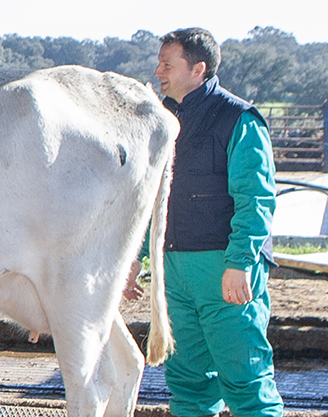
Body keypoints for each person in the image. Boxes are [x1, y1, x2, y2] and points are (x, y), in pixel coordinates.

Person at [126, 28, 283, 417]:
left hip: (223, 266)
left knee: (244, 375)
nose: (158, 71)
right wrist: (137, 257)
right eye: (159, 62)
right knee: (187, 380)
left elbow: (256, 197)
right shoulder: (159, 119)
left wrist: (242, 261)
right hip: (174, 269)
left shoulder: (238, 119)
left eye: (167, 63)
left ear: (198, 69)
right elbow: (151, 198)